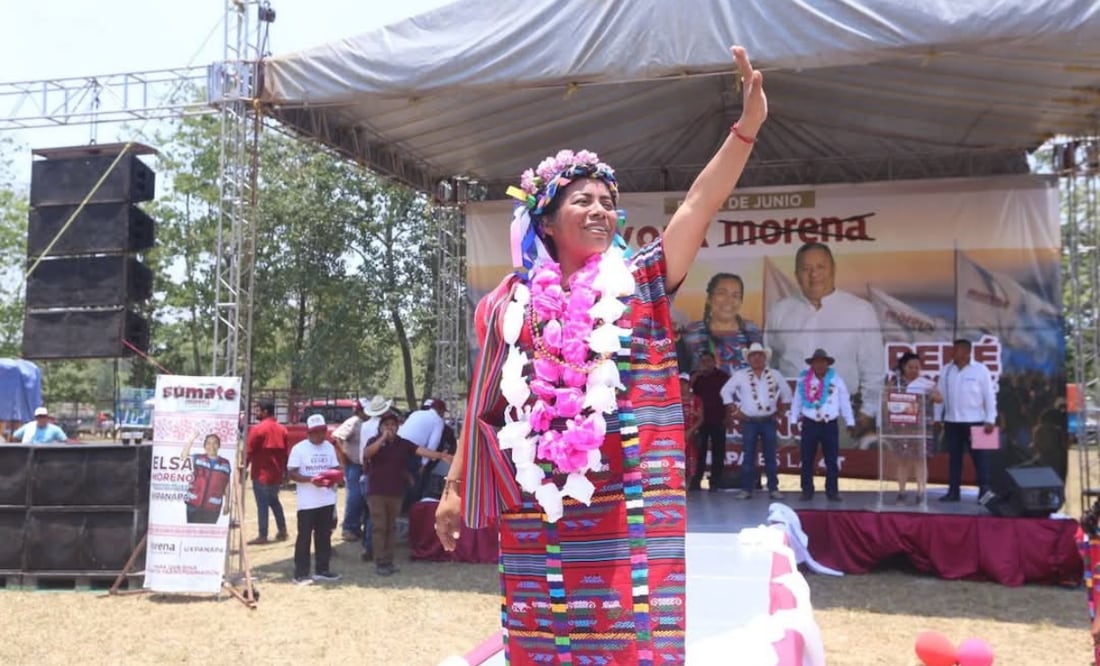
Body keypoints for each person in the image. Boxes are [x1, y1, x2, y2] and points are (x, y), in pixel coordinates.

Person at [433, 46, 768, 664]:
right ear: (548, 223)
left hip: (628, 507)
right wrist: (454, 488)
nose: (600, 210)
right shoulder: (509, 305)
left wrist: (746, 129)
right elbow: (484, 407)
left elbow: (698, 204)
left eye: (607, 202)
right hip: (538, 509)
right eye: (582, 201)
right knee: (539, 644)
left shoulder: (639, 281)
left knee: (631, 645)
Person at [765, 242, 883, 431]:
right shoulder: (779, 311)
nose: (814, 275)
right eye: (806, 269)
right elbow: (769, 365)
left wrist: (868, 412)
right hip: (791, 416)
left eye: (821, 267)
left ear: (833, 269)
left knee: (835, 460)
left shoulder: (860, 310)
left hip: (841, 415)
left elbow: (873, 368)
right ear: (796, 274)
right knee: (792, 461)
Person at [362, 411, 451, 576]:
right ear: (380, 427)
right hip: (377, 492)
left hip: (396, 492)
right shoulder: (374, 441)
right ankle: (380, 561)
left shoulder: (402, 444)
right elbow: (367, 454)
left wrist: (439, 455)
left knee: (391, 527)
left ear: (398, 427)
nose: (390, 428)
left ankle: (388, 560)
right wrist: (382, 439)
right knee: (380, 527)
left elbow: (420, 450)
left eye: (393, 425)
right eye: (386, 425)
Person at [721, 343, 792, 500]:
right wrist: (734, 410)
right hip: (749, 422)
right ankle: (746, 489)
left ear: (765, 358)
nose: (757, 358)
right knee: (748, 456)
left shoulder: (774, 374)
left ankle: (773, 488)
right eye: (754, 355)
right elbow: (725, 391)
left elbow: (787, 392)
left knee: (770, 456)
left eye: (760, 355)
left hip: (768, 421)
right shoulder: (741, 375)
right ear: (749, 359)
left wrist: (781, 411)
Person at [934, 338, 997, 502]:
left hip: (978, 422)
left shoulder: (981, 370)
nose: (952, 352)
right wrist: (936, 417)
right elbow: (939, 395)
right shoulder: (946, 370)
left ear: (967, 352)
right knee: (954, 459)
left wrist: (991, 418)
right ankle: (953, 492)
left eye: (956, 350)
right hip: (952, 422)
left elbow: (989, 396)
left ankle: (985, 494)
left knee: (982, 459)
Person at [791, 349, 855, 502]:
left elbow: (845, 402)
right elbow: (797, 402)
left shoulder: (837, 380)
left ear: (827, 363)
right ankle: (807, 490)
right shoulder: (803, 381)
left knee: (831, 460)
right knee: (807, 458)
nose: (819, 365)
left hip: (829, 424)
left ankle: (832, 491)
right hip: (810, 424)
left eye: (822, 362)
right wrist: (793, 420)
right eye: (816, 362)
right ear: (812, 364)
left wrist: (850, 421)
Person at [286, 414, 342, 585]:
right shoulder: (299, 449)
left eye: (322, 431)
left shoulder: (328, 448)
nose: (320, 435)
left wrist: (332, 477)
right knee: (304, 537)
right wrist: (310, 480)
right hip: (307, 502)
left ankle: (322, 569)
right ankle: (301, 573)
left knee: (324, 535)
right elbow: (292, 473)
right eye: (316, 432)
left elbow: (335, 467)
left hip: (327, 499)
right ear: (308, 432)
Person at [884, 352, 942, 504]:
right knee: (903, 460)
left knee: (920, 460)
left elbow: (939, 398)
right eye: (911, 367)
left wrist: (931, 394)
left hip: (922, 428)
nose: (914, 370)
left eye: (917, 367)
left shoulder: (926, 382)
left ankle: (921, 493)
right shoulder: (895, 382)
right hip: (902, 428)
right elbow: (886, 400)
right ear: (903, 367)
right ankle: (902, 492)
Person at [679, 272, 762, 375]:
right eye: (722, 293)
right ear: (709, 298)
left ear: (741, 301)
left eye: (735, 295)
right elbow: (682, 371)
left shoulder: (751, 330)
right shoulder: (693, 332)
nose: (729, 300)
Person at [245, 400, 289, 544]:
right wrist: (285, 473)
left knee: (262, 504)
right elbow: (286, 454)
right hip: (276, 474)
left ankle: (262, 535)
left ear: (264, 411)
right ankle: (282, 531)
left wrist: (243, 467)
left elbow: (249, 451)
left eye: (258, 410)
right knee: (274, 502)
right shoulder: (282, 430)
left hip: (261, 473)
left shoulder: (257, 429)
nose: (256, 413)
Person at [355, 394, 393, 561]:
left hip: (366, 470)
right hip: (378, 473)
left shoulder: (365, 425)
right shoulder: (383, 427)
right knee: (376, 514)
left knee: (368, 513)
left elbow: (364, 452)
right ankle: (372, 548)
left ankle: (366, 545)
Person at [690, 350, 732, 491]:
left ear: (714, 362)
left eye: (708, 361)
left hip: (718, 419)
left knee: (718, 451)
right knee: (699, 452)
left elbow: (729, 398)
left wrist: (728, 416)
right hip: (698, 422)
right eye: (703, 361)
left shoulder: (723, 377)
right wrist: (696, 376)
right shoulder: (696, 377)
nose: (705, 364)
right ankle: (696, 481)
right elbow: (685, 391)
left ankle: (715, 482)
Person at [332, 398, 369, 542]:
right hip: (354, 464)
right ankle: (348, 528)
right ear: (360, 411)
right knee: (354, 497)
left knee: (361, 497)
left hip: (361, 464)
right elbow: (336, 437)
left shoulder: (365, 423)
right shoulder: (353, 422)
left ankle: (355, 526)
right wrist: (344, 456)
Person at [179, 433, 233, 524]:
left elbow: (227, 484)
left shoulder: (225, 463)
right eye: (208, 443)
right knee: (192, 532)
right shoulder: (197, 458)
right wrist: (191, 439)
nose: (211, 446)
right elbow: (183, 456)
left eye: (215, 443)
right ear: (204, 446)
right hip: (193, 505)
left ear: (219, 446)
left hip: (212, 507)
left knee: (208, 534)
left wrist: (227, 504)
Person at [679, 373, 703, 487]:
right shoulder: (674, 400)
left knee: (691, 461)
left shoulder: (696, 400)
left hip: (691, 436)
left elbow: (701, 418)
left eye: (684, 383)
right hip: (677, 436)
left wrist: (690, 431)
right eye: (679, 383)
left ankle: (687, 487)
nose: (681, 386)